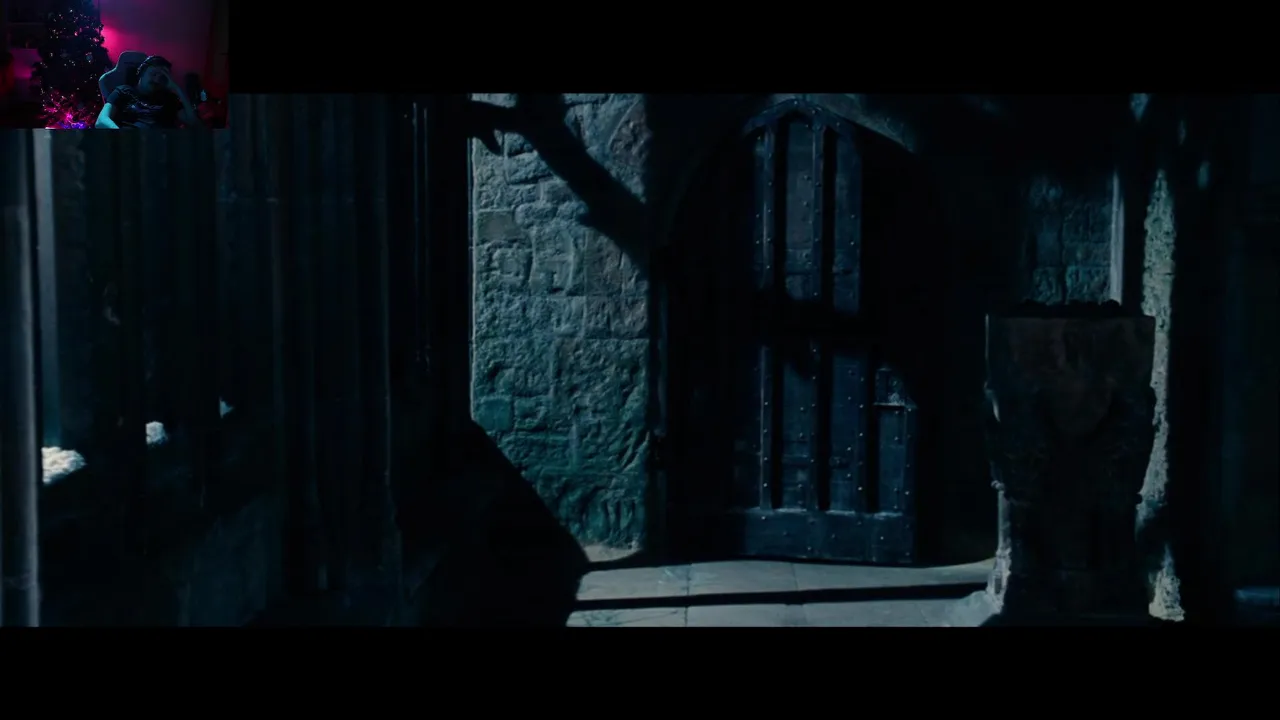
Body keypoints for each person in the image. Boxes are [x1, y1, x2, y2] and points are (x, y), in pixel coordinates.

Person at [95, 55, 202, 129]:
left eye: (162, 77)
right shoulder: (123, 91)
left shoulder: (169, 98)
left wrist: (176, 88)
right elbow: (101, 120)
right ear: (141, 73)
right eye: (153, 74)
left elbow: (194, 123)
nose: (156, 80)